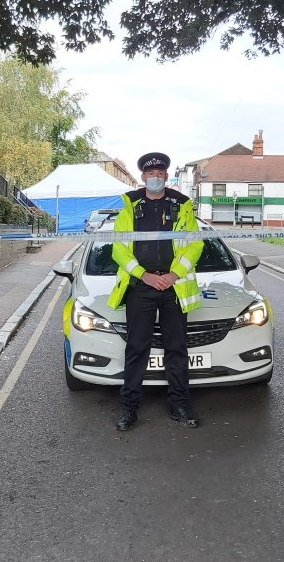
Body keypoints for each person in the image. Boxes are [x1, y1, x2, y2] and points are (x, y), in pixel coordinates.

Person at [107, 152, 204, 431]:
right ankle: (129, 409)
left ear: (166, 176)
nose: (156, 178)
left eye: (161, 173)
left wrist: (173, 275)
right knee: (137, 349)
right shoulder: (129, 207)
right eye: (151, 174)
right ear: (143, 178)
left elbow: (194, 245)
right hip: (141, 287)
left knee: (177, 348)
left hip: (174, 287)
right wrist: (144, 276)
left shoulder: (182, 205)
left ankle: (179, 405)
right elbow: (119, 249)